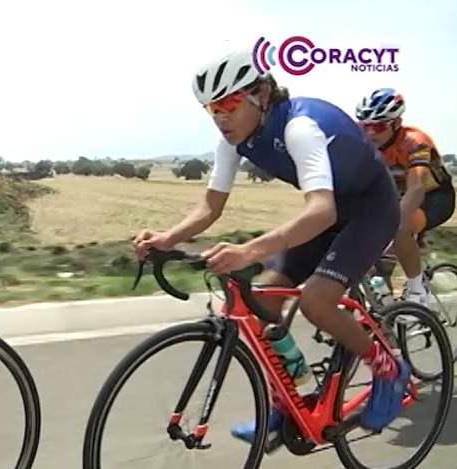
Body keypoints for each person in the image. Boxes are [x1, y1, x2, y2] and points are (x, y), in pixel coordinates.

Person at [132, 48, 411, 445]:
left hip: (370, 210)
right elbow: (210, 207)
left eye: (229, 104)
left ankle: (389, 370)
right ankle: (290, 399)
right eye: (212, 108)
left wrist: (249, 251)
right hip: (329, 212)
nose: (220, 117)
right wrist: (167, 238)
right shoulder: (232, 142)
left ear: (261, 94)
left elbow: (321, 211)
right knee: (261, 302)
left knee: (316, 302)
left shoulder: (299, 127)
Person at [355, 88, 455, 306]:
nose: (370, 133)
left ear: (397, 123)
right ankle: (386, 314)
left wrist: (392, 223)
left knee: (399, 228)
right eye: (365, 126)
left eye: (378, 126)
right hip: (399, 197)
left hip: (434, 198)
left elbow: (416, 189)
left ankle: (418, 293)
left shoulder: (414, 141)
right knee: (379, 265)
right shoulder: (364, 144)